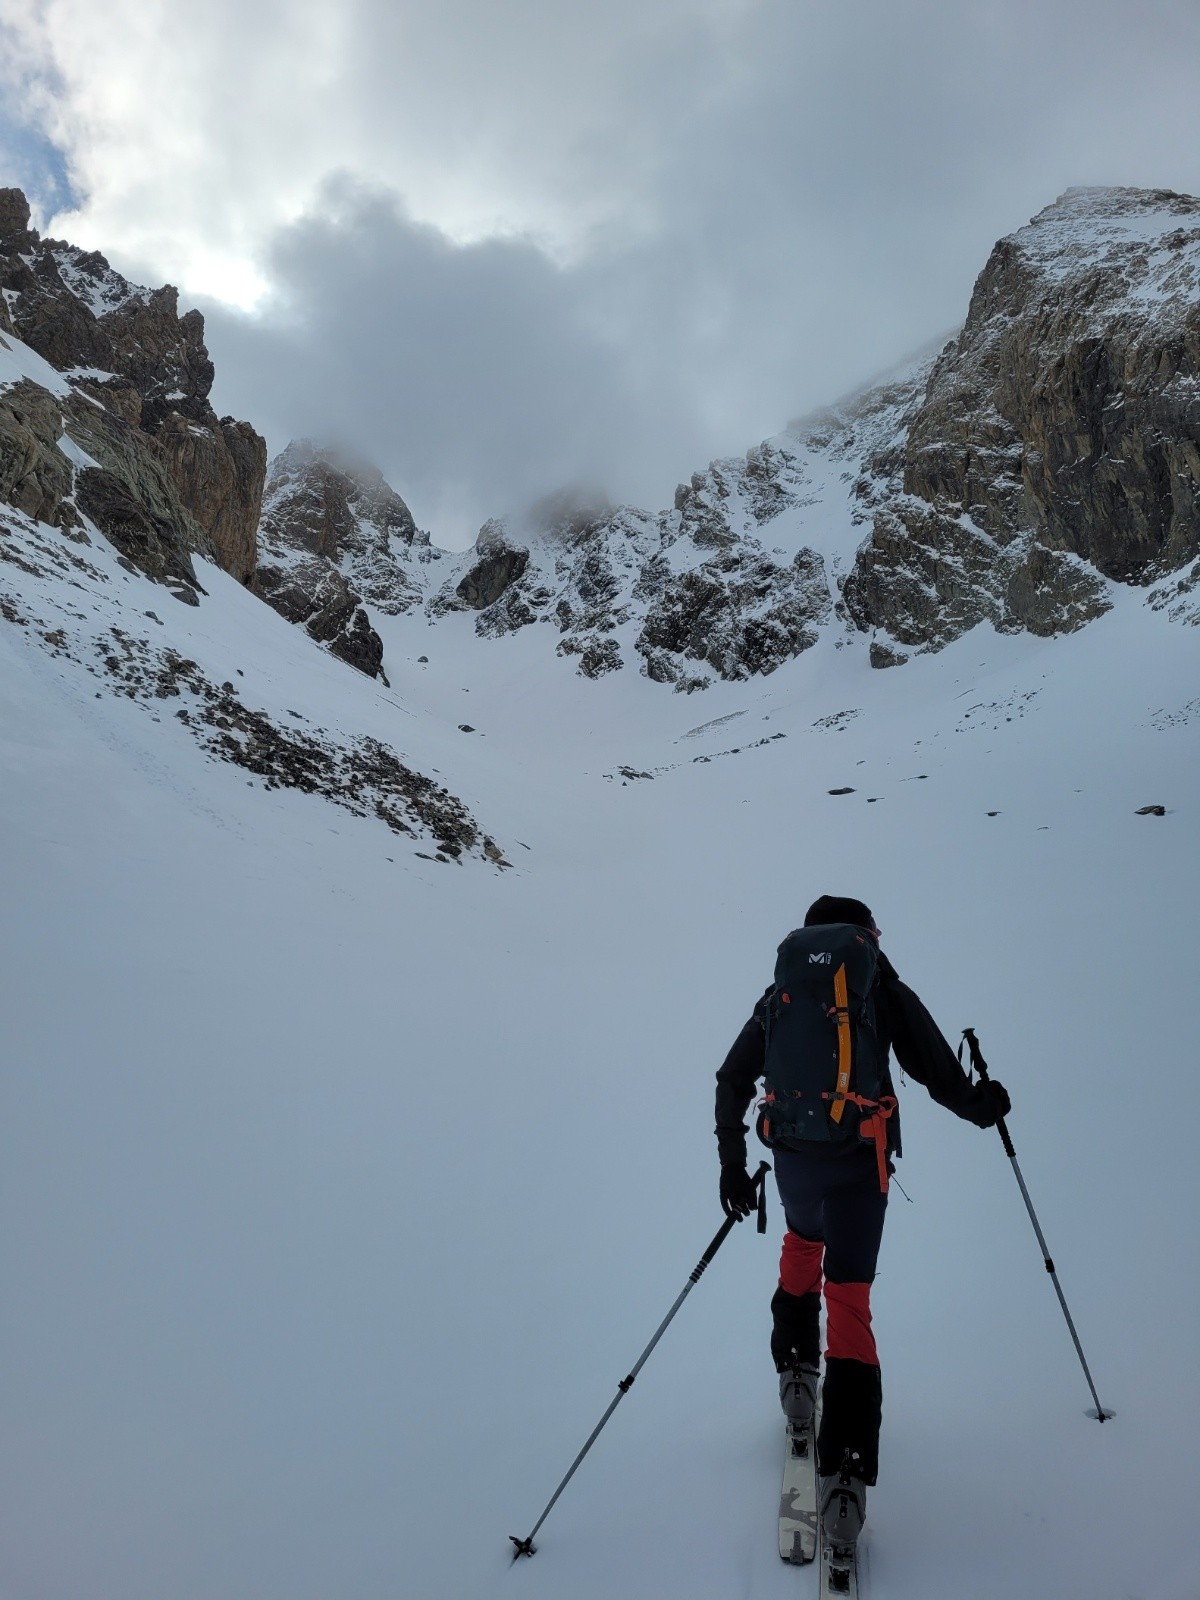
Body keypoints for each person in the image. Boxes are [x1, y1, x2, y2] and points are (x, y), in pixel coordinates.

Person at [714, 895, 1010, 1547]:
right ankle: (845, 1471)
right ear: (868, 933)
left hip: (793, 1159)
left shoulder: (784, 992)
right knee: (848, 1295)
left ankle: (796, 1368)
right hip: (856, 1163)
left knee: (800, 1240)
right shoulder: (880, 986)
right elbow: (938, 1074)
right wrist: (986, 1106)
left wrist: (732, 1165)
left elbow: (733, 1079)